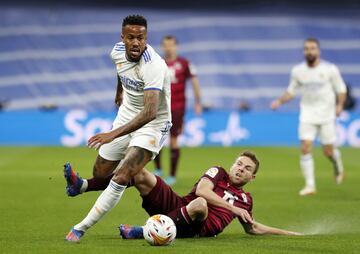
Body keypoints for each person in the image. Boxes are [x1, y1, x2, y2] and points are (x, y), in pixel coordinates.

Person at [64, 14, 171, 242]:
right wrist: (119, 91)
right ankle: (82, 185)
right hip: (127, 115)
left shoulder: (154, 65)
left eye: (140, 38)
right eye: (130, 37)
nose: (135, 42)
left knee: (122, 176)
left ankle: (80, 228)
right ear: (122, 38)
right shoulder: (117, 52)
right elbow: (121, 71)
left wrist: (112, 134)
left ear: (146, 38)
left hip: (153, 125)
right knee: (101, 172)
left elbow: (150, 112)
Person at [117, 151, 301, 238]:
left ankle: (142, 231)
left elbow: (252, 228)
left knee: (200, 205)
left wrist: (289, 233)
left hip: (200, 227)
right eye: (238, 164)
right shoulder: (218, 172)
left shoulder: (246, 200)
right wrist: (232, 209)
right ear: (232, 165)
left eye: (247, 169)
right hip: (181, 207)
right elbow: (202, 191)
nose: (240, 169)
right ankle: (89, 185)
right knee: (140, 172)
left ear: (252, 177)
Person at [270, 38, 346, 196]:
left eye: (312, 48)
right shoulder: (298, 71)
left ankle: (337, 163)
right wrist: (279, 101)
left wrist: (339, 105)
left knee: (328, 152)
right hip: (307, 114)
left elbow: (341, 89)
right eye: (306, 49)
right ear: (303, 51)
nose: (309, 51)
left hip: (326, 114)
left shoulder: (330, 69)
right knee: (305, 147)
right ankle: (310, 185)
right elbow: (291, 91)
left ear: (318, 51)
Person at [153, 35, 203, 185]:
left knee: (174, 140)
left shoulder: (185, 63)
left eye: (171, 45)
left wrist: (198, 101)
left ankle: (172, 175)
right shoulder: (157, 63)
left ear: (176, 46)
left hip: (177, 107)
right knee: (156, 138)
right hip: (159, 106)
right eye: (166, 45)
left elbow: (194, 81)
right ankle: (158, 170)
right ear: (162, 47)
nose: (169, 47)